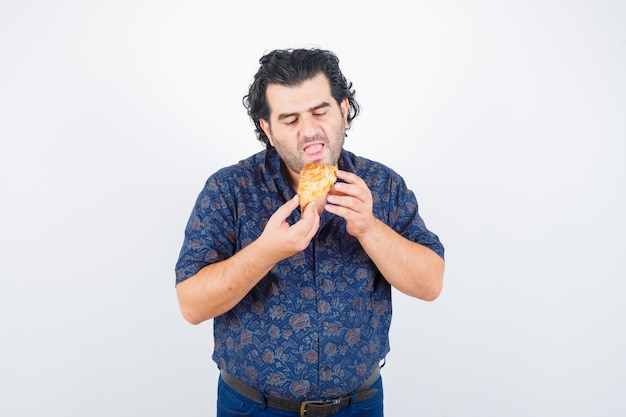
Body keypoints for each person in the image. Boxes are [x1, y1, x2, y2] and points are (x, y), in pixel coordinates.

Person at [175, 48, 445, 417]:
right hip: (253, 407)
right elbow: (191, 304)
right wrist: (265, 252)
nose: (310, 131)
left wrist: (369, 228)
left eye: (320, 111)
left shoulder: (381, 184)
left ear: (344, 109)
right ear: (267, 129)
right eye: (289, 119)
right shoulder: (230, 190)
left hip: (359, 405)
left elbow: (430, 283)